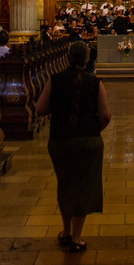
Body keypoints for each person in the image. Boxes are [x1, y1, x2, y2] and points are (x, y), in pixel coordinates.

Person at [35, 41, 112, 252]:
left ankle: (66, 231)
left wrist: (59, 112)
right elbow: (105, 115)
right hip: (88, 140)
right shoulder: (95, 82)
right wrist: (94, 129)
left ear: (67, 58)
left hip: (60, 138)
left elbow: (40, 109)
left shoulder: (55, 80)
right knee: (84, 187)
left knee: (65, 184)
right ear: (87, 60)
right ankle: (77, 238)